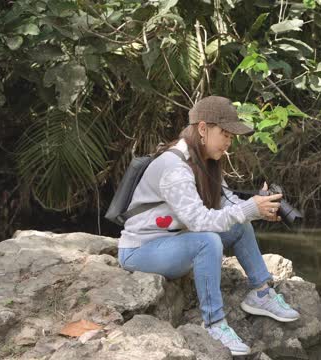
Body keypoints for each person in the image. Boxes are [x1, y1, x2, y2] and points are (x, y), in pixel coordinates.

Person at [117, 96, 300, 356]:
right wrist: (249, 210)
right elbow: (199, 222)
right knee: (208, 240)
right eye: (224, 134)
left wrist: (259, 210)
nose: (229, 142)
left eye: (231, 137)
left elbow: (229, 205)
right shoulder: (174, 167)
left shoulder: (205, 162)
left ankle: (260, 293)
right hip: (140, 251)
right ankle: (213, 323)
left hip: (175, 242)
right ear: (202, 129)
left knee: (239, 226)